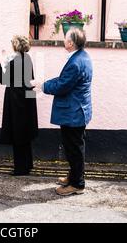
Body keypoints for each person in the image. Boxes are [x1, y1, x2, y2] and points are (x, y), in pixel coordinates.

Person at [31, 28, 93, 195]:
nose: (63, 40)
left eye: (65, 38)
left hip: (73, 112)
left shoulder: (75, 62)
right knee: (75, 147)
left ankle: (77, 184)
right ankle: (74, 176)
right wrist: (44, 82)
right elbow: (62, 79)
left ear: (71, 43)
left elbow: (62, 86)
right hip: (78, 110)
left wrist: (43, 86)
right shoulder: (82, 56)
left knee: (74, 149)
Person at [0, 35, 38, 176]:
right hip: (27, 100)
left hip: (16, 101)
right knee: (25, 133)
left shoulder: (15, 61)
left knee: (18, 134)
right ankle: (27, 164)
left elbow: (4, 80)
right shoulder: (27, 58)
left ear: (16, 45)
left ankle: (20, 168)